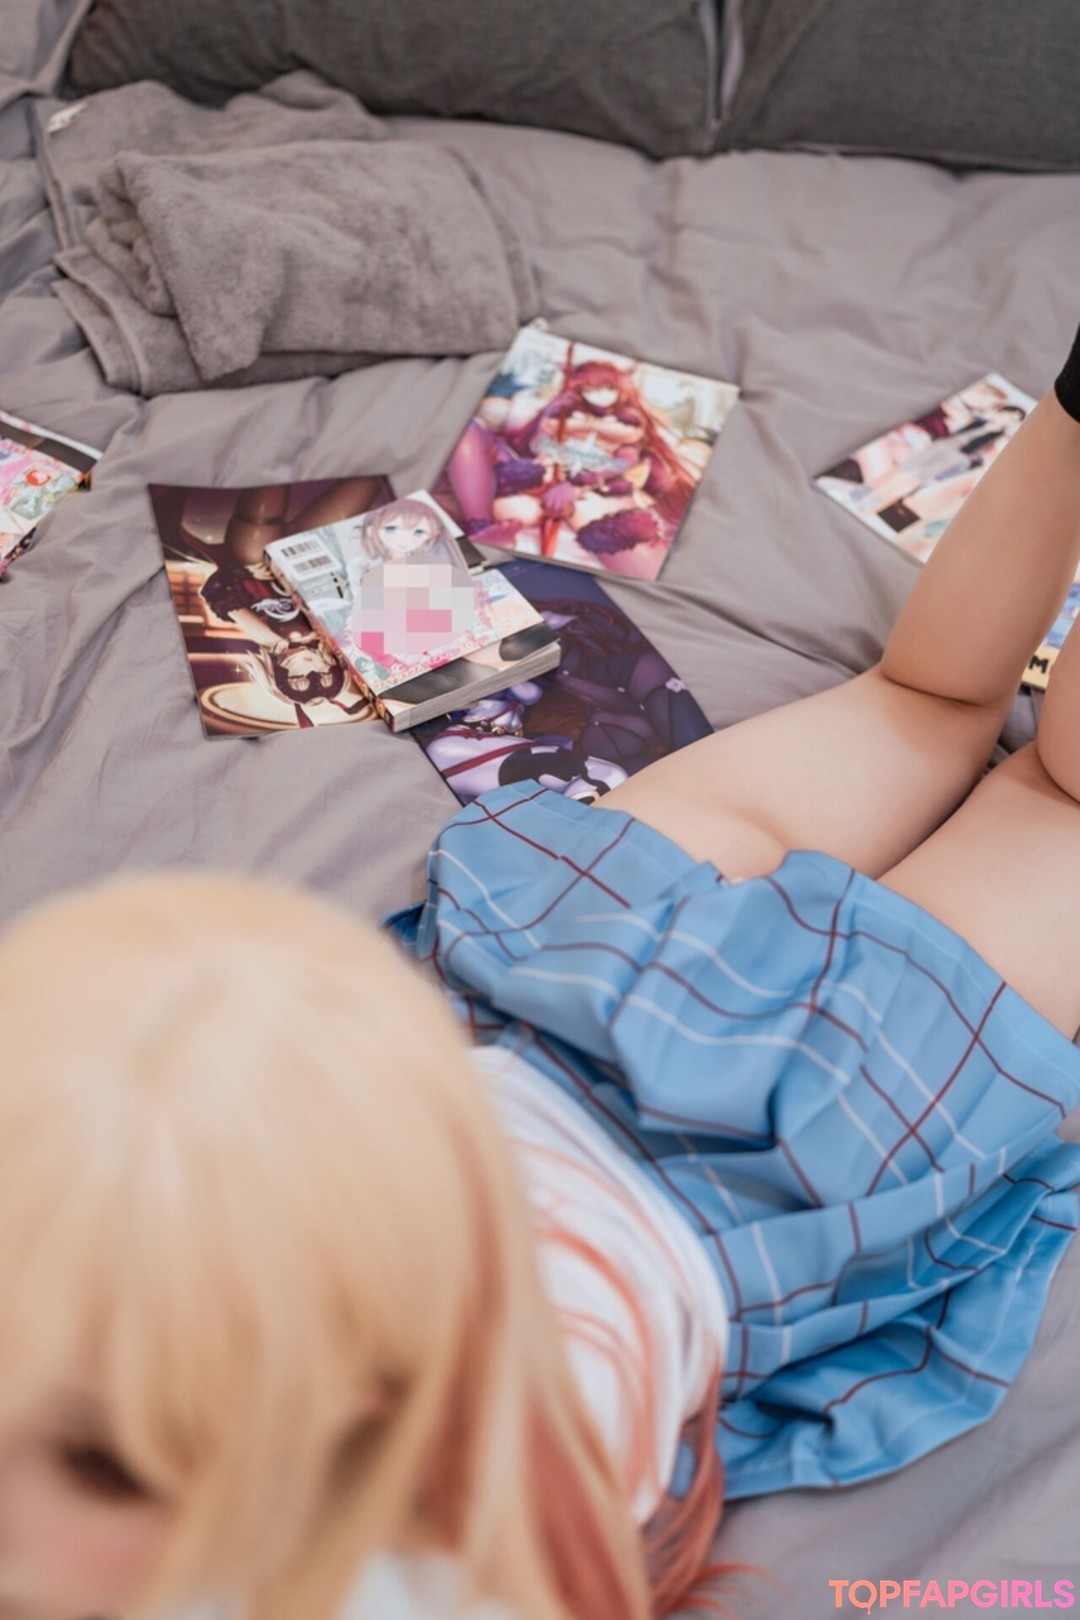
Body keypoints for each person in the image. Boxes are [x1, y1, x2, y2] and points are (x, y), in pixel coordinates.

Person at [6, 336, 1080, 1620]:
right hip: (677, 1059)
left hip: (685, 1066)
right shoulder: (424, 1564)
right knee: (962, 730)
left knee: (961, 730)